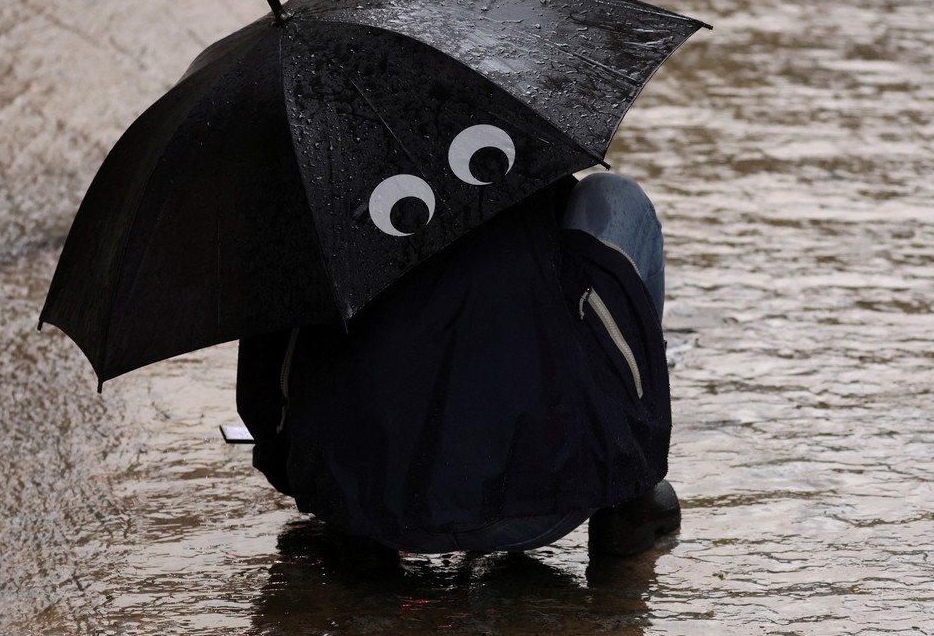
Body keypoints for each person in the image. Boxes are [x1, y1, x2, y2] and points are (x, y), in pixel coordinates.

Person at [236, 172, 680, 564]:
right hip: (548, 503)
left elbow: (264, 392)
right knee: (615, 195)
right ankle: (628, 495)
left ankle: (360, 529)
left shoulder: (315, 186)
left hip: (369, 512)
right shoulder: (507, 146)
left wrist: (322, 487)